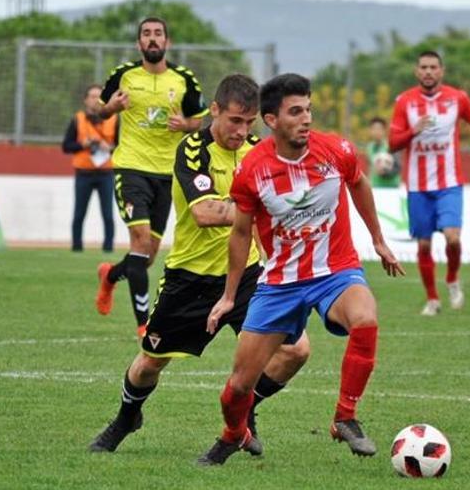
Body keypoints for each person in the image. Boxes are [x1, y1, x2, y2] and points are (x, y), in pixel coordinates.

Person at [88, 74, 310, 455]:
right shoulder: (193, 149)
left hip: (247, 278)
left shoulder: (260, 151)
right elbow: (207, 213)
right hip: (190, 280)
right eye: (235, 121)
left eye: (249, 123)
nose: (242, 131)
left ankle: (244, 413)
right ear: (215, 111)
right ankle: (127, 417)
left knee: (295, 350)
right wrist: (262, 206)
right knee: (149, 364)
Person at [197, 73, 405, 466]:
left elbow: (359, 184)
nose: (306, 118)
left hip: (335, 271)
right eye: (296, 111)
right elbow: (241, 234)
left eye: (308, 109)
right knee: (239, 386)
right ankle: (231, 435)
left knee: (365, 318)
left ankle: (345, 417)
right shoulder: (252, 171)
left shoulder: (336, 150)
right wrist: (228, 297)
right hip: (279, 284)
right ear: (272, 120)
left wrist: (377, 239)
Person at [94, 17, 208, 337]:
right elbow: (100, 112)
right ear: (139, 43)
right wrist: (111, 108)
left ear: (167, 42)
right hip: (131, 168)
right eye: (147, 34)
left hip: (167, 175)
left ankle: (110, 276)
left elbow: (198, 121)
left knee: (145, 257)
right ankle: (145, 325)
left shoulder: (184, 79)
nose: (153, 39)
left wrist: (184, 126)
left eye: (158, 34)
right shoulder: (123, 75)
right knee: (141, 242)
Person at [388, 50, 470, 316]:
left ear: (441, 71)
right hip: (418, 186)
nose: (428, 71)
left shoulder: (458, 98)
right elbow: (393, 143)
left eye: (433, 67)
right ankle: (432, 299)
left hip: (449, 182)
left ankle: (452, 279)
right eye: (424, 67)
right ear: (416, 72)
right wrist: (413, 131)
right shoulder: (405, 102)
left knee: (453, 238)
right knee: (423, 245)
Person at [61, 84, 118, 253]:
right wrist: (82, 144)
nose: (95, 100)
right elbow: (66, 146)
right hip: (83, 173)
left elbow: (123, 146)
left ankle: (108, 248)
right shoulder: (77, 119)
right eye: (92, 96)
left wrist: (109, 147)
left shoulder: (114, 119)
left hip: (106, 173)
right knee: (79, 213)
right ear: (85, 100)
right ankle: (77, 247)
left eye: (98, 96)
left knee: (108, 214)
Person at [365, 117, 400, 188]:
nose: (377, 132)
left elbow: (398, 168)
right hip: (375, 187)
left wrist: (385, 172)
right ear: (370, 131)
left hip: (391, 188)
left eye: (379, 129)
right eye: (374, 129)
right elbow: (370, 167)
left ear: (384, 130)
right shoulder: (369, 148)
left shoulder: (391, 146)